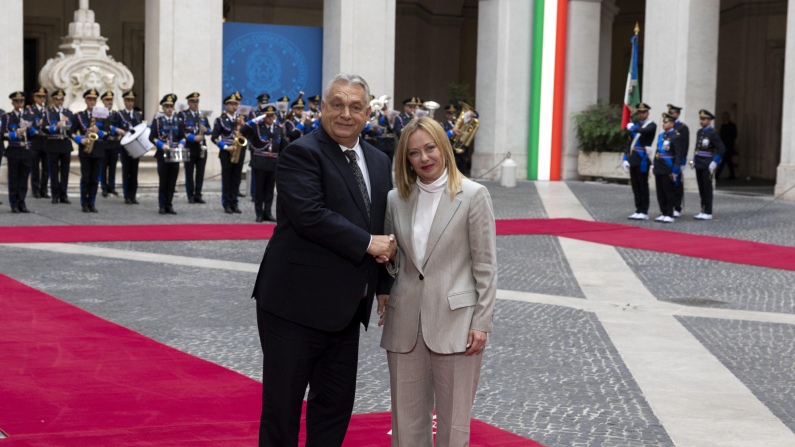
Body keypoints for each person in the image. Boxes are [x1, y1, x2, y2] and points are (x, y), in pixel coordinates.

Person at [251, 73, 395, 447]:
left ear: (368, 114)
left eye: (355, 107)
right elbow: (308, 215)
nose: (345, 114)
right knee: (282, 414)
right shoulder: (302, 152)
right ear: (322, 107)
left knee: (333, 410)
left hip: (347, 310)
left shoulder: (380, 161)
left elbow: (383, 224)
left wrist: (383, 286)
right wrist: (368, 243)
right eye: (337, 104)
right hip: (292, 307)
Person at [377, 116, 497, 447]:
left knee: (453, 423)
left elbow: (485, 264)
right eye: (414, 153)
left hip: (457, 322)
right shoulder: (394, 199)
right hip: (404, 321)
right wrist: (384, 273)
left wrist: (481, 322)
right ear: (406, 159)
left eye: (430, 148)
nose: (424, 158)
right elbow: (395, 261)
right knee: (406, 421)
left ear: (443, 147)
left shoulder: (473, 195)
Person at [241, 104, 286, 222]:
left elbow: (283, 147)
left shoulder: (278, 128)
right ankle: (259, 213)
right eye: (268, 116)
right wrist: (256, 119)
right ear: (263, 117)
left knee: (270, 191)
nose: (271, 118)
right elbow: (242, 130)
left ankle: (268, 212)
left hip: (273, 164)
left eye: (272, 116)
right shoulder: (257, 127)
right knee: (259, 190)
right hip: (260, 163)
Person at [148, 93, 187, 215]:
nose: (169, 109)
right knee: (163, 180)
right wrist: (162, 145)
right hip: (163, 153)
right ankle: (162, 205)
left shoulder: (179, 121)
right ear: (163, 108)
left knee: (172, 181)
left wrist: (181, 144)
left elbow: (183, 136)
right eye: (167, 106)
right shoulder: (158, 121)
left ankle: (169, 204)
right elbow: (152, 137)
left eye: (171, 106)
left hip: (175, 153)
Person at [72, 88, 108, 213]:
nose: (92, 102)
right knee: (86, 178)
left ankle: (92, 202)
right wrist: (79, 139)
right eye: (89, 99)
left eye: (94, 99)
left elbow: (108, 133)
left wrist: (100, 131)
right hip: (85, 150)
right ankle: (84, 203)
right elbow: (70, 132)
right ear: (85, 100)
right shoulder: (79, 116)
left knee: (94, 179)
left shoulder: (102, 115)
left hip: (98, 149)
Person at [2, 91, 38, 213]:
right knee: (13, 179)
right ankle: (14, 204)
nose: (19, 103)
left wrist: (30, 128)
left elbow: (36, 135)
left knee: (23, 178)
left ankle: (22, 202)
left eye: (21, 101)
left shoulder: (29, 116)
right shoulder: (7, 116)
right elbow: (2, 134)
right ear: (13, 102)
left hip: (26, 150)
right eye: (16, 101)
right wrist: (15, 133)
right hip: (14, 150)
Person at [622, 102, 657, 220]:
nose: (641, 115)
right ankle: (638, 209)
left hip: (643, 159)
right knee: (635, 187)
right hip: (634, 159)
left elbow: (645, 131)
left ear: (648, 113)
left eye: (644, 112)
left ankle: (644, 211)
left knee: (643, 186)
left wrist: (632, 127)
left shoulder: (651, 125)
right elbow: (628, 143)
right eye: (640, 112)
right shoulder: (635, 125)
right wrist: (625, 158)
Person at [211, 92, 244, 214]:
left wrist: (245, 127)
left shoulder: (241, 119)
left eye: (235, 104)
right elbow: (214, 137)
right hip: (226, 152)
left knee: (236, 179)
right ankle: (226, 203)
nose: (234, 106)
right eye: (231, 104)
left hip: (238, 151)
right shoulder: (220, 120)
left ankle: (234, 202)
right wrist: (225, 147)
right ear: (226, 106)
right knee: (227, 178)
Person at [691, 110, 726, 220]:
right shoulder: (699, 132)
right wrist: (693, 160)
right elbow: (697, 149)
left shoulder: (713, 133)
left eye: (704, 119)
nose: (701, 121)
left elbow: (722, 149)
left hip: (707, 163)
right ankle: (702, 210)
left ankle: (708, 211)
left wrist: (715, 162)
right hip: (699, 163)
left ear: (709, 121)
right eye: (701, 119)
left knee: (707, 188)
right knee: (701, 188)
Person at [42, 89, 74, 204]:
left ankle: (63, 194)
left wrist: (68, 122)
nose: (59, 101)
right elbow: (44, 128)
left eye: (61, 99)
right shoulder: (48, 113)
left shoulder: (68, 112)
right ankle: (55, 195)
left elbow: (73, 129)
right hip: (53, 143)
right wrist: (56, 127)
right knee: (54, 171)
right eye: (57, 99)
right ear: (53, 100)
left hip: (65, 144)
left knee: (65, 171)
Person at [653, 112, 686, 223]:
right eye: (663, 121)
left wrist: (676, 168)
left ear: (672, 123)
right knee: (660, 192)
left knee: (668, 191)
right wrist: (653, 163)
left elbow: (678, 154)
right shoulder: (661, 136)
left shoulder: (676, 136)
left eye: (666, 122)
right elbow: (658, 151)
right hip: (659, 166)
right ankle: (663, 212)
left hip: (668, 167)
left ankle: (669, 213)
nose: (664, 123)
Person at [180, 92, 211, 204]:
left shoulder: (202, 115)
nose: (195, 104)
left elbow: (210, 130)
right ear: (188, 103)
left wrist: (205, 130)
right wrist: (193, 137)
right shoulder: (183, 115)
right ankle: (190, 195)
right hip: (189, 147)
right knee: (189, 172)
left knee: (200, 172)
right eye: (193, 101)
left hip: (201, 147)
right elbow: (182, 131)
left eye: (197, 101)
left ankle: (198, 194)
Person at [118, 90, 143, 204]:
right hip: (125, 145)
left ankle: (133, 195)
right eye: (128, 100)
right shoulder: (120, 114)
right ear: (124, 101)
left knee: (134, 171)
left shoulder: (137, 115)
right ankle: (127, 195)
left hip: (135, 145)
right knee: (126, 170)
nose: (130, 103)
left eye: (132, 100)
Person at [100, 91, 123, 198]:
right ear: (103, 101)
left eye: (111, 100)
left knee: (112, 166)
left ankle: (111, 186)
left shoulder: (116, 114)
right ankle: (104, 187)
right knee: (103, 166)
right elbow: (101, 127)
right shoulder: (99, 113)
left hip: (114, 143)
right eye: (107, 100)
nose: (109, 102)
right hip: (104, 143)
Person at [667, 104, 689, 217]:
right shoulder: (668, 126)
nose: (671, 114)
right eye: (670, 112)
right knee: (668, 184)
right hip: (668, 160)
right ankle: (668, 206)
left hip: (678, 160)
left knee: (676, 184)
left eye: (673, 112)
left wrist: (683, 162)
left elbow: (685, 145)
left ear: (678, 114)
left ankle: (677, 207)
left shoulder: (682, 127)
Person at [28, 87, 50, 199]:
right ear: (34, 97)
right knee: (35, 167)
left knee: (46, 167)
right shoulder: (29, 110)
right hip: (35, 140)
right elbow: (27, 124)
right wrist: (38, 124)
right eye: (39, 96)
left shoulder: (49, 110)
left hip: (46, 140)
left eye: (44, 97)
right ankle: (35, 190)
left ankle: (44, 189)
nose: (42, 99)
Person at [441, 104, 464, 173]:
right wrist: (452, 132)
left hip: (461, 155)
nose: (453, 115)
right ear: (447, 115)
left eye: (454, 113)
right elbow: (441, 137)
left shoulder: (461, 125)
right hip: (450, 153)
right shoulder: (443, 125)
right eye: (450, 113)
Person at [716, 111, 737, 180]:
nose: (723, 118)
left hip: (728, 146)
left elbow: (734, 135)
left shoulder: (732, 125)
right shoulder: (723, 126)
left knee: (723, 161)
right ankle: (732, 175)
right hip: (723, 146)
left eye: (724, 117)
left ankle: (717, 175)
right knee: (728, 162)